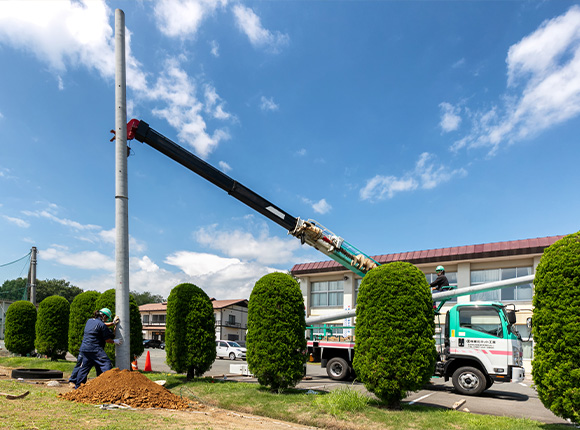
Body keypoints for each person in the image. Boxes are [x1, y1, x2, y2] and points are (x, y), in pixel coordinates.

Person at [73, 308, 122, 389]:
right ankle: (109, 386)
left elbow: (101, 324)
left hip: (85, 349)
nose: (106, 320)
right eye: (106, 318)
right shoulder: (102, 325)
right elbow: (107, 339)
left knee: (85, 367)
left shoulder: (90, 321)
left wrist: (113, 323)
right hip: (94, 349)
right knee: (106, 363)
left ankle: (78, 387)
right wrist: (114, 341)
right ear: (104, 316)